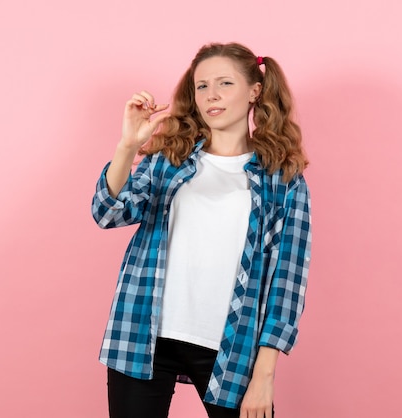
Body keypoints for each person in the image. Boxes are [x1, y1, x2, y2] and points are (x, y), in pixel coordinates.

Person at [91, 42, 312, 418]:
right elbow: (107, 213)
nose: (212, 95)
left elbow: (285, 284)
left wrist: (264, 377)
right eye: (202, 86)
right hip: (143, 332)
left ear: (254, 91)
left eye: (225, 83)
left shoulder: (283, 180)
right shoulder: (168, 161)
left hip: (232, 345)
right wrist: (128, 146)